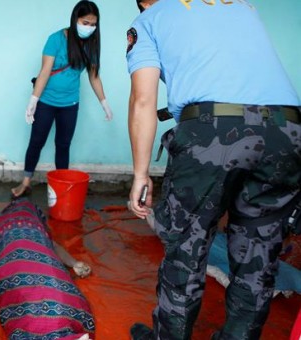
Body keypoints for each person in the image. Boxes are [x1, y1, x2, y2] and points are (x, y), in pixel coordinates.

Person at [126, 0, 301, 339]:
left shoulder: (148, 19)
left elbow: (143, 100)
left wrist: (140, 174)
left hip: (215, 133)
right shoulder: (240, 5)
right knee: (258, 256)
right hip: (288, 131)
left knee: (186, 248)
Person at [11, 0, 113, 198]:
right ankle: (25, 182)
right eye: (85, 22)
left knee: (63, 145)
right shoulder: (56, 39)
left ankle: (60, 186)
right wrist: (33, 101)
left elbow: (94, 76)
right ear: (75, 19)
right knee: (37, 141)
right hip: (47, 102)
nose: (89, 28)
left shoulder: (91, 44)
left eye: (93, 25)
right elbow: (45, 71)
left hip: (70, 104)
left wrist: (104, 102)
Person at [0, 198, 94, 339]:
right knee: (54, 297)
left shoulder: (0, 227)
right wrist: (74, 263)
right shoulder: (22, 226)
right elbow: (52, 245)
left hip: (16, 251)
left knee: (27, 290)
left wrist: (74, 263)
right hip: (21, 248)